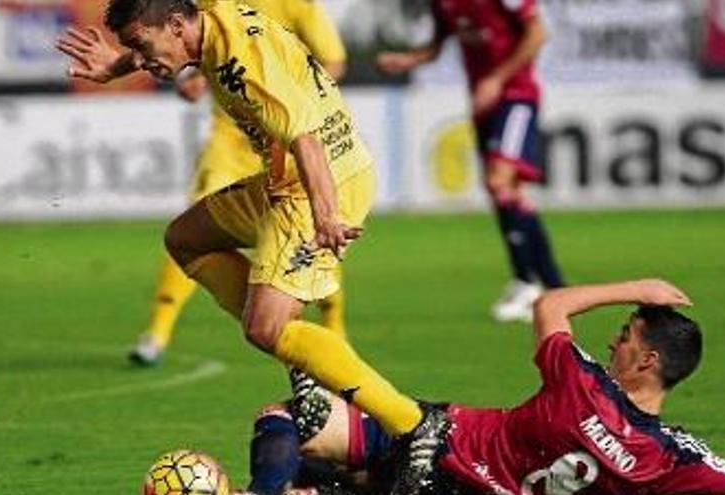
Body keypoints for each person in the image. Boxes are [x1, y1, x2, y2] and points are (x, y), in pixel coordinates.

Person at [56, 1, 445, 492]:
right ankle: (309, 365)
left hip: (317, 186)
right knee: (186, 239)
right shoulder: (206, 15)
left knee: (265, 328)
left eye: (140, 44)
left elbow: (305, 138)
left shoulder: (243, 63)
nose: (141, 57)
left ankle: (414, 425)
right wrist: (121, 63)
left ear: (176, 26)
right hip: (282, 184)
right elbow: (168, 33)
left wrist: (326, 215)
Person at [238, 279, 725, 495]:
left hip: (440, 443)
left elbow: (551, 303)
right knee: (308, 429)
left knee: (294, 418)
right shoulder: (667, 456)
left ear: (648, 359)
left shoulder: (579, 378)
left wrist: (637, 286)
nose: (614, 343)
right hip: (443, 452)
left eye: (625, 336)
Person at [57, 0, 350, 366]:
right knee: (191, 231)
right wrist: (191, 72)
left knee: (312, 232)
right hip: (231, 141)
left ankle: (331, 331)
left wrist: (289, 89)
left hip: (291, 139)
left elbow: (333, 61)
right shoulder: (212, 5)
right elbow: (169, 33)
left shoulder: (295, 5)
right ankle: (158, 332)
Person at [377, 0, 565, 323]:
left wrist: (497, 78)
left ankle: (525, 282)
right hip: (485, 105)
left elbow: (537, 33)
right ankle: (554, 286)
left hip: (516, 97)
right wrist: (409, 59)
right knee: (508, 193)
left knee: (499, 182)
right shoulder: (443, 4)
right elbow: (438, 45)